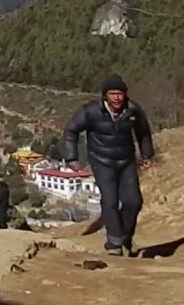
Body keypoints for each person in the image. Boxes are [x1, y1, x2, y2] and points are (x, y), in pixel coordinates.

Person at [61, 74, 155, 257]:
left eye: (120, 93)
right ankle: (114, 243)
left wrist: (147, 154)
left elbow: (143, 132)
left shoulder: (133, 110)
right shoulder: (90, 111)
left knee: (134, 201)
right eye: (112, 94)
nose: (117, 98)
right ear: (105, 95)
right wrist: (71, 157)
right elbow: (70, 131)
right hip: (101, 161)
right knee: (110, 201)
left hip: (126, 161)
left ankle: (125, 236)